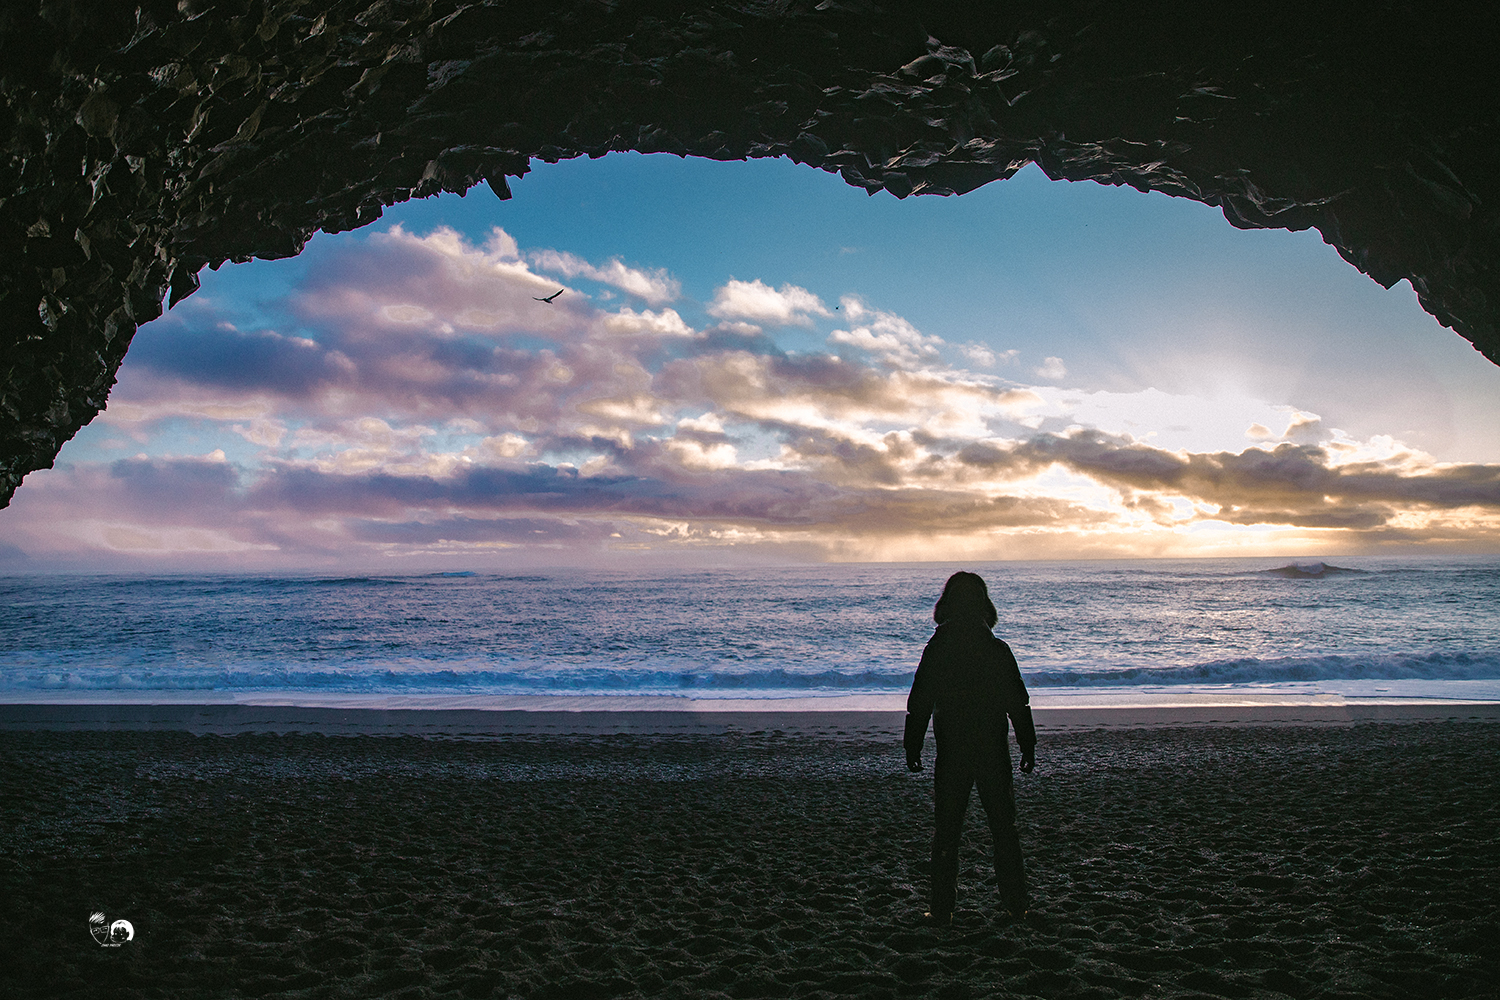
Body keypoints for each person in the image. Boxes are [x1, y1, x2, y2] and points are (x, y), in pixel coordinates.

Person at [904, 571, 1036, 924]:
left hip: (952, 750)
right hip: (992, 748)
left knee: (947, 831)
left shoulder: (938, 648)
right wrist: (1028, 743)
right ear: (984, 605)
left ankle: (943, 909)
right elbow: (1017, 702)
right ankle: (1016, 904)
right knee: (1004, 829)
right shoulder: (996, 649)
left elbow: (920, 701)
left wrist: (912, 743)